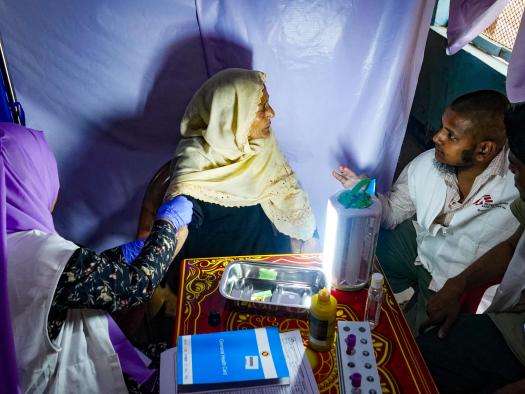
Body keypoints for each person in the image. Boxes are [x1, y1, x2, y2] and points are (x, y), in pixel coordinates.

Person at [1, 122, 193, 392]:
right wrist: (167, 226)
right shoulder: (40, 253)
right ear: (30, 178)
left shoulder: (13, 245)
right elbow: (136, 288)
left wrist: (120, 255)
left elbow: (67, 285)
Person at [333, 90, 519, 333]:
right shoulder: (426, 165)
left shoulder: (515, 185)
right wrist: (365, 190)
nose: (436, 137)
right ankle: (392, 298)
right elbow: (392, 212)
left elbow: (512, 254)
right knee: (363, 253)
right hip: (421, 247)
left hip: (456, 280)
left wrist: (459, 286)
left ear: (483, 150)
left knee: (422, 343)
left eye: (450, 135)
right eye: (442, 128)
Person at [148, 68, 317, 296]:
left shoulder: (262, 147)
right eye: (260, 108)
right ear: (232, 117)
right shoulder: (196, 162)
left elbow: (290, 198)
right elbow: (181, 219)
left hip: (266, 270)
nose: (271, 113)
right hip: (213, 278)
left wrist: (310, 241)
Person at [417, 103, 525, 394]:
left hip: (517, 346)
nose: (510, 172)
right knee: (424, 350)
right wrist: (458, 284)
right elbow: (514, 245)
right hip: (510, 321)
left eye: (515, 166)